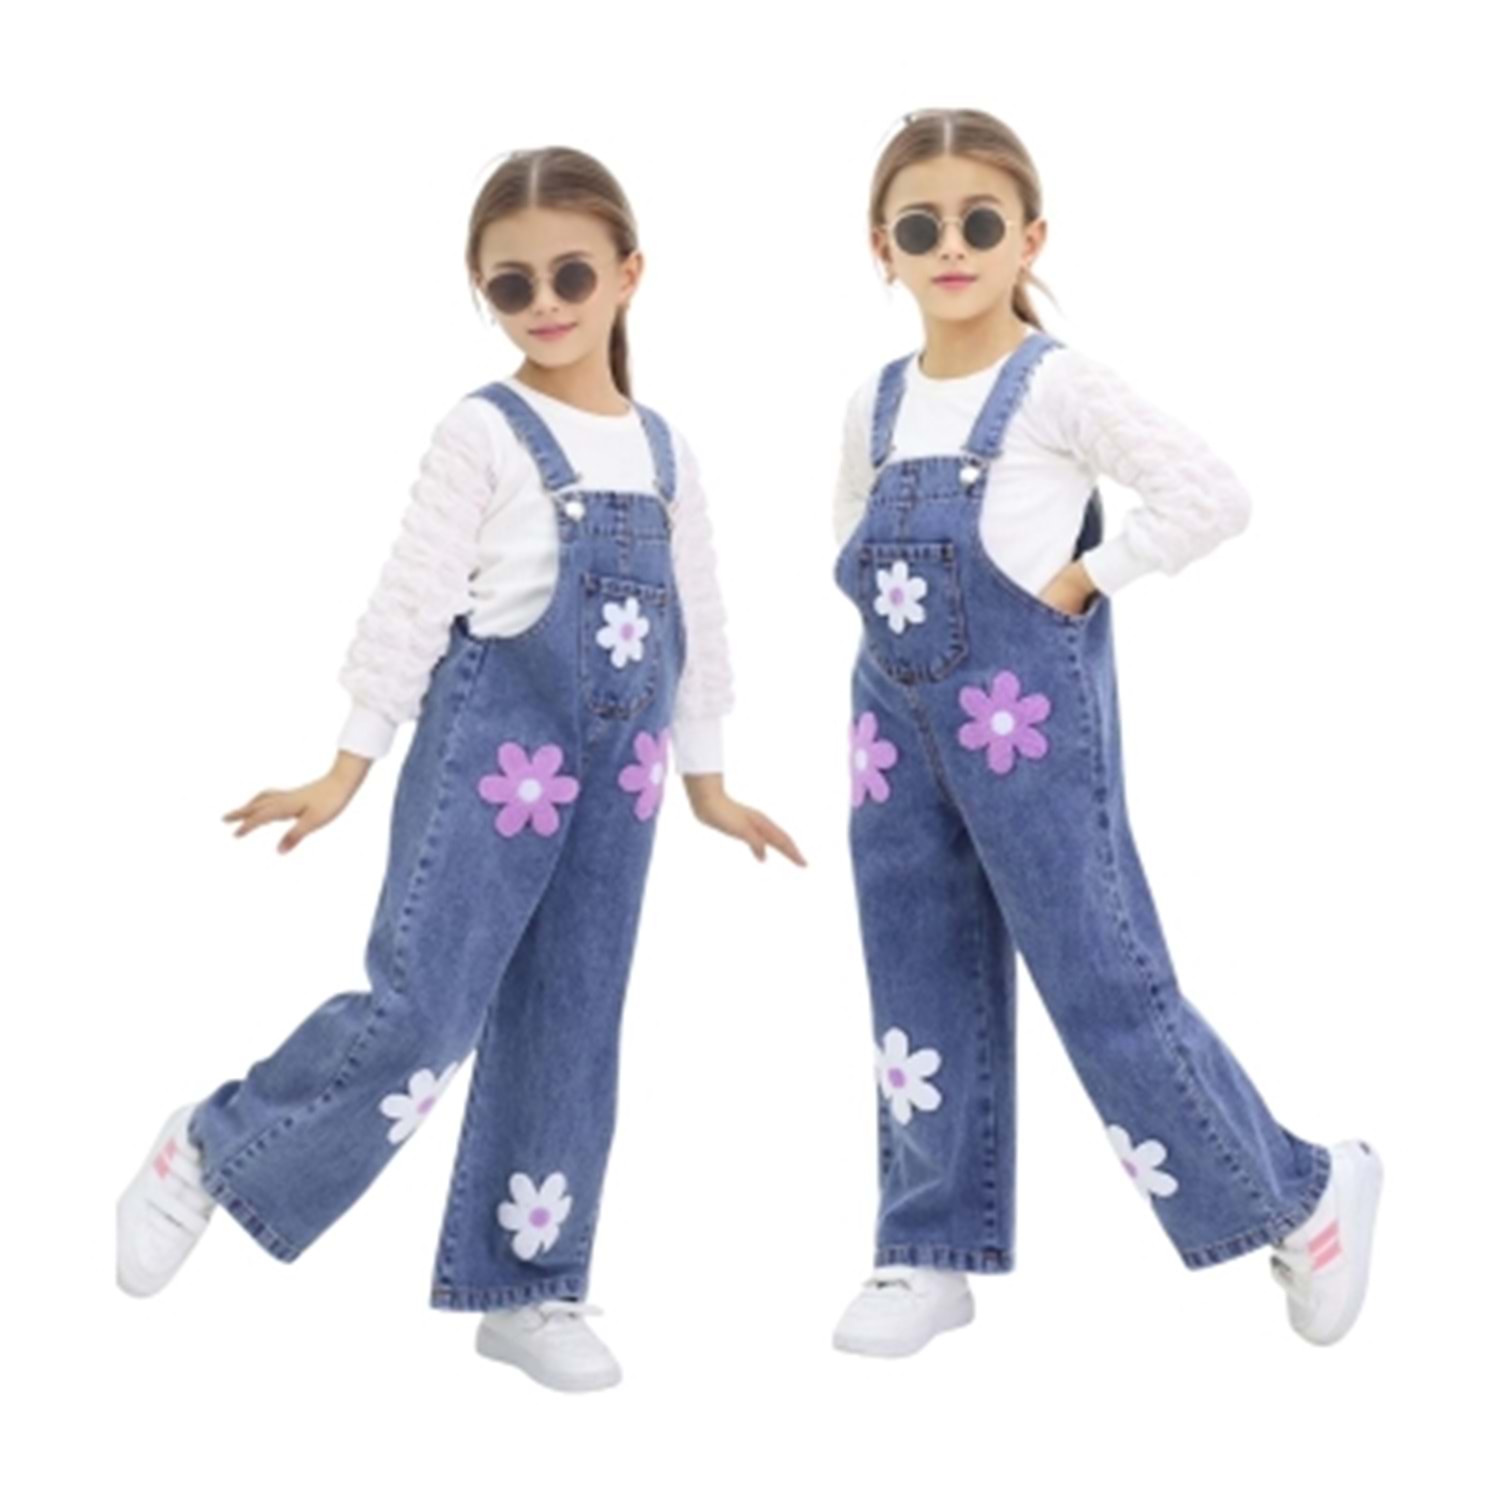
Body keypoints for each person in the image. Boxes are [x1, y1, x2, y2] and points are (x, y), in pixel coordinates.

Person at [115, 144, 803, 1393]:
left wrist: (710, 780)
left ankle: (526, 1283)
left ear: (629, 274)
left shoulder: (666, 453)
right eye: (511, 284)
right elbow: (412, 599)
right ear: (483, 293)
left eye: (572, 274)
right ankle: (213, 1146)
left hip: (627, 777)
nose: (545, 302)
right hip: (494, 758)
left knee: (571, 1019)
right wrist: (346, 765)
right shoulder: (483, 431)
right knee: (422, 1014)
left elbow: (699, 616)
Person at [828, 108, 1382, 1356]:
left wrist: (1088, 579)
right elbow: (849, 538)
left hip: (1025, 729)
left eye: (981, 222)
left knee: (1101, 979)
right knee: (913, 980)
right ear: (882, 246)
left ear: (1029, 238)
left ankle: (1303, 1194)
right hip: (891, 734)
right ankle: (927, 1248)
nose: (952, 245)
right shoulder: (873, 404)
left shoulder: (1055, 384)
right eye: (922, 225)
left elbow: (1210, 494)